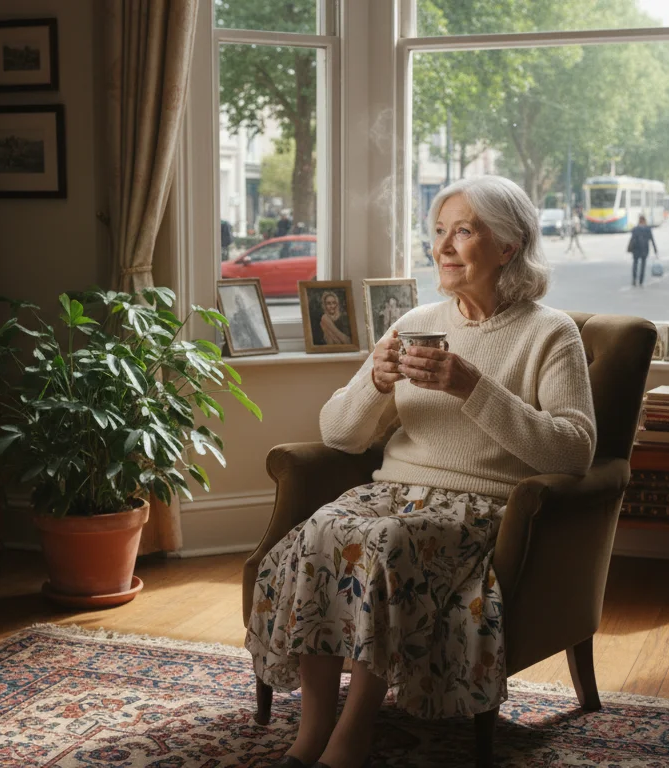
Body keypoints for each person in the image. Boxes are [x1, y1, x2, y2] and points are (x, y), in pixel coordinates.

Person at [247, 175, 596, 768]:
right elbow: (339, 433)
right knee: (317, 535)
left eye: (463, 231)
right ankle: (311, 732)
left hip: (483, 508)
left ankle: (352, 738)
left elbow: (574, 451)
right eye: (438, 231)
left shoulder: (550, 332)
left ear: (508, 246)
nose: (443, 246)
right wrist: (375, 384)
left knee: (383, 544)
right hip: (393, 491)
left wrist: (473, 388)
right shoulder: (413, 323)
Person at [627, 214, 658, 287]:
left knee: (635, 263)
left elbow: (632, 239)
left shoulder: (635, 229)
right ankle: (641, 281)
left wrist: (630, 247)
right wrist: (655, 249)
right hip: (644, 248)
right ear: (645, 221)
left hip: (636, 248)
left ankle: (634, 279)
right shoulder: (648, 229)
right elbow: (652, 239)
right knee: (643, 265)